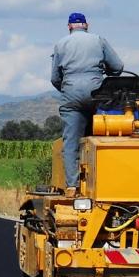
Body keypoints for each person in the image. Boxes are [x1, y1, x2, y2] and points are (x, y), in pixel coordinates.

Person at [51, 11, 123, 192]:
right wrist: (105, 72)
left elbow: (55, 78)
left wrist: (68, 89)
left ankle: (72, 186)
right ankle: (108, 183)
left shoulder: (60, 44)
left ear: (69, 27)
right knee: (105, 135)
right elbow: (118, 67)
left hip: (71, 95)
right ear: (86, 25)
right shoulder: (98, 40)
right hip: (97, 94)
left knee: (71, 142)